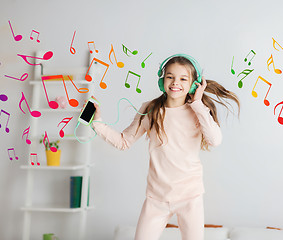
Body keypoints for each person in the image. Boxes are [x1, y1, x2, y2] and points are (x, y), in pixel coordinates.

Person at [91, 54, 240, 240]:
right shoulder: (150, 110)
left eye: (183, 79)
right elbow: (124, 142)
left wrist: (198, 103)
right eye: (170, 76)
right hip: (157, 198)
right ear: (162, 80)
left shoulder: (197, 111)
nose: (175, 82)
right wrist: (97, 123)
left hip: (190, 196)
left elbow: (215, 140)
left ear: (194, 84)